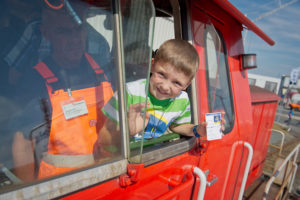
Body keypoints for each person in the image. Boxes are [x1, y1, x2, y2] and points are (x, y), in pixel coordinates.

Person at [12, 2, 114, 181]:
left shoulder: (103, 70)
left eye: (78, 29)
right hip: (62, 185)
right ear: (46, 33)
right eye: (63, 31)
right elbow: (24, 145)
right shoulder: (34, 81)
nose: (74, 38)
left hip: (107, 175)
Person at [102, 39, 223, 142]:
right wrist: (128, 130)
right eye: (161, 74)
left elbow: (178, 126)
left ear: (187, 84)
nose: (165, 87)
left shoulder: (182, 100)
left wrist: (197, 130)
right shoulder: (128, 92)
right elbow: (103, 135)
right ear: (152, 65)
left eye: (176, 83)